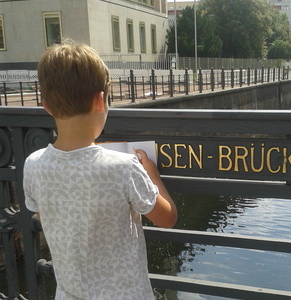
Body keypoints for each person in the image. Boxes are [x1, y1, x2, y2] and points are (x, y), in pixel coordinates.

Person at [23, 40, 177, 299]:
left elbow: (42, 212)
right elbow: (167, 219)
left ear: (46, 105)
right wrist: (152, 175)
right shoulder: (123, 167)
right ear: (100, 100)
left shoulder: (34, 164)